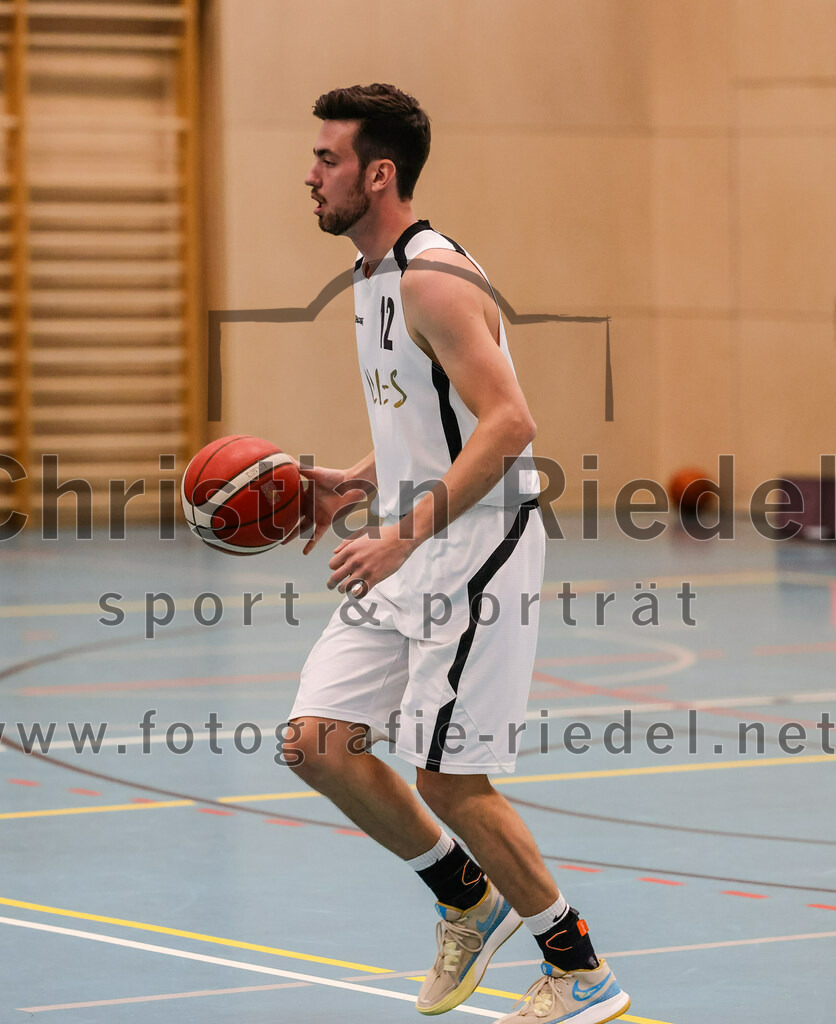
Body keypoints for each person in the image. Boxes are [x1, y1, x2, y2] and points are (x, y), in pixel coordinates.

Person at [286, 83, 629, 1024]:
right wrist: (364, 478)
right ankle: (467, 900)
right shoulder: (374, 275)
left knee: (447, 774)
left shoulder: (432, 276)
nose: (311, 174)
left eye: (329, 159)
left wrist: (400, 533)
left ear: (378, 172)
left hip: (474, 546)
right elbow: (431, 417)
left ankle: (582, 972)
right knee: (317, 743)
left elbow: (511, 422)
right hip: (415, 539)